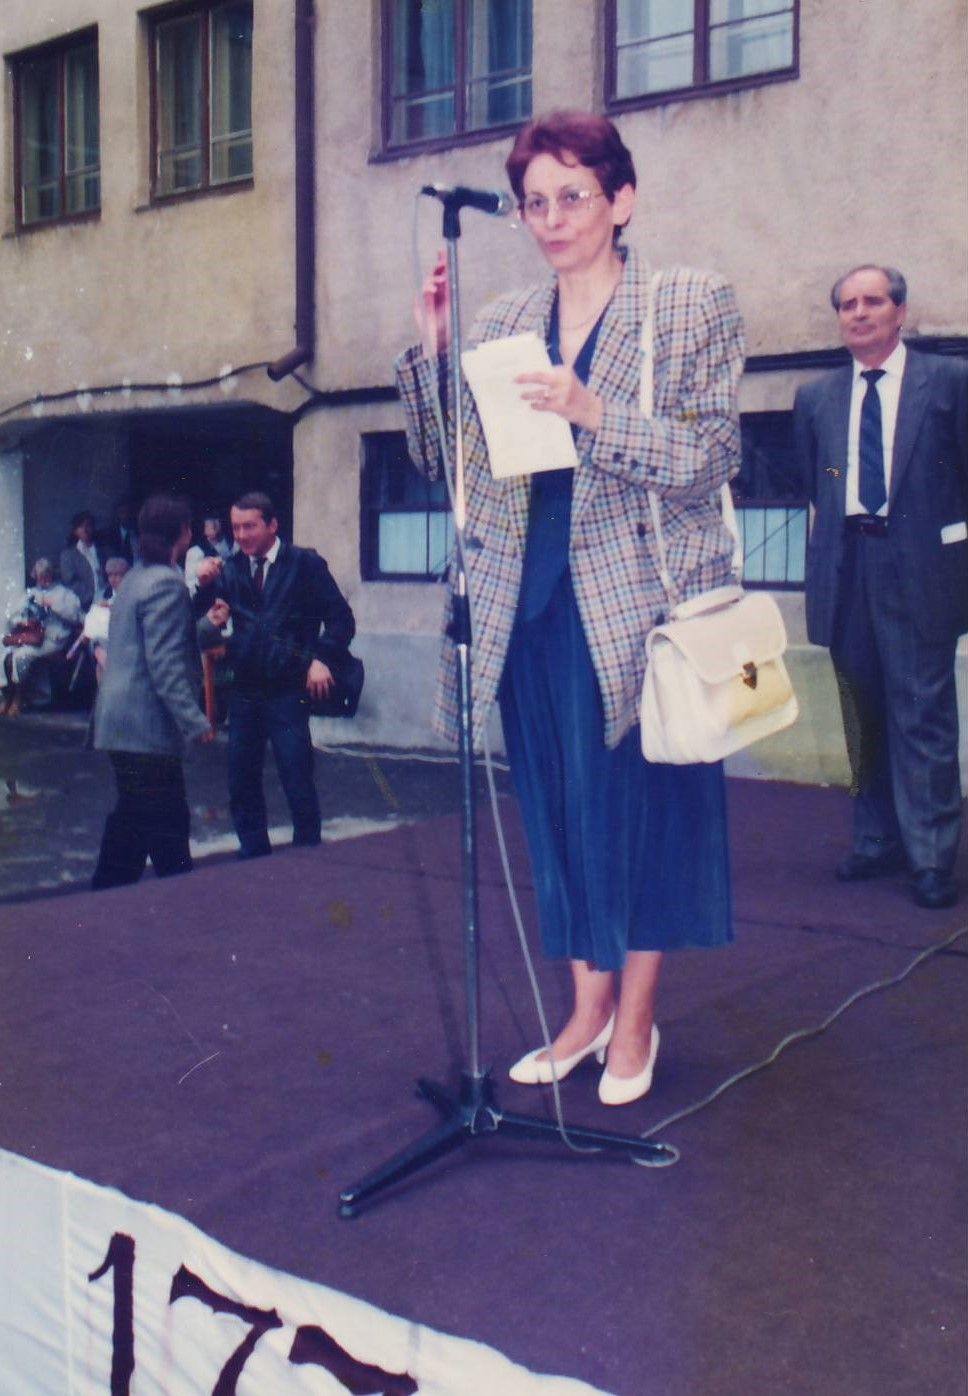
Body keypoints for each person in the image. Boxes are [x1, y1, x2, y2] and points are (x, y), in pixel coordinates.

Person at [396, 111, 744, 1106]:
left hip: (639, 612)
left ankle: (634, 1019)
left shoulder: (686, 303)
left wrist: (594, 413)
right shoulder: (505, 320)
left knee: (639, 823)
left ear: (620, 200)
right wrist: (433, 350)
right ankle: (586, 1010)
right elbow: (449, 465)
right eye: (533, 202)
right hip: (529, 609)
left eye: (572, 197)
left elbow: (712, 453)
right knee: (557, 818)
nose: (551, 219)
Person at [794, 265, 968, 910]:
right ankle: (877, 841)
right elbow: (817, 479)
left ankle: (931, 856)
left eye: (873, 301)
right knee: (862, 712)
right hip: (847, 565)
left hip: (918, 564)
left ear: (900, 312)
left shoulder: (947, 382)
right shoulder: (817, 397)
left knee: (922, 713)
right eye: (848, 305)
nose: (860, 313)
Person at [194, 491, 355, 859]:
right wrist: (203, 588)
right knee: (241, 780)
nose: (241, 535)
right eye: (236, 528)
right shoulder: (230, 568)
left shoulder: (304, 563)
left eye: (250, 526)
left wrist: (322, 659)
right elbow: (204, 625)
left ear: (272, 525)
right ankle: (253, 856)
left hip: (288, 689)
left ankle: (308, 854)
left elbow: (341, 620)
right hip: (245, 688)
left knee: (296, 776)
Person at [91, 496, 228, 889]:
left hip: (120, 720)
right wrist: (195, 720)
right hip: (145, 726)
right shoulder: (167, 583)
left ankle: (106, 896)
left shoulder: (136, 578)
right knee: (165, 819)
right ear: (183, 533)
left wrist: (207, 625)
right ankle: (179, 898)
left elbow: (158, 643)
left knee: (135, 818)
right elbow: (165, 665)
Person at [1, 558, 82, 715]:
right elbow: (12, 616)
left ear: (52, 575)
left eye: (47, 577)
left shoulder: (64, 593)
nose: (44, 582)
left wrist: (54, 605)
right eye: (40, 578)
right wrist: (23, 622)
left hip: (53, 639)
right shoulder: (32, 593)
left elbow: (77, 617)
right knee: (7, 654)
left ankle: (18, 697)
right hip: (33, 636)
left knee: (21, 656)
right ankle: (8, 695)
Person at [67, 556, 131, 684]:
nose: (113, 579)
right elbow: (92, 621)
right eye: (110, 575)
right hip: (101, 639)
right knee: (98, 643)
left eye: (117, 575)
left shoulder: (132, 595)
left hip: (124, 640)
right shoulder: (101, 595)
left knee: (101, 665)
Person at [60, 510, 105, 611]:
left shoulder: (103, 551)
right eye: (80, 526)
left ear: (93, 527)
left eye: (88, 525)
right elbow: (71, 582)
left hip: (107, 602)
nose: (85, 529)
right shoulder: (68, 555)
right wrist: (92, 598)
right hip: (84, 605)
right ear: (75, 531)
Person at [184, 512, 234, 595]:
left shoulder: (234, 546)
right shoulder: (195, 552)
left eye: (216, 520)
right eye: (208, 522)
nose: (213, 524)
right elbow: (190, 586)